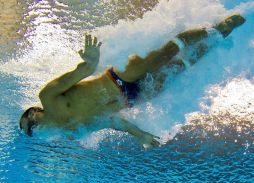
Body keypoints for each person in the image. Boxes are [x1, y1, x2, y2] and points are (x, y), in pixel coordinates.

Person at [19, 14, 245, 146]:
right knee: (179, 68)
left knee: (166, 53)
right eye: (29, 132)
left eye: (29, 126)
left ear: (32, 113)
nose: (33, 130)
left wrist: (90, 61)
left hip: (118, 78)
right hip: (133, 98)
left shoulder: (47, 97)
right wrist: (141, 134)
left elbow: (81, 72)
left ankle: (216, 28)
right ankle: (216, 39)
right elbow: (111, 122)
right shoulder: (72, 132)